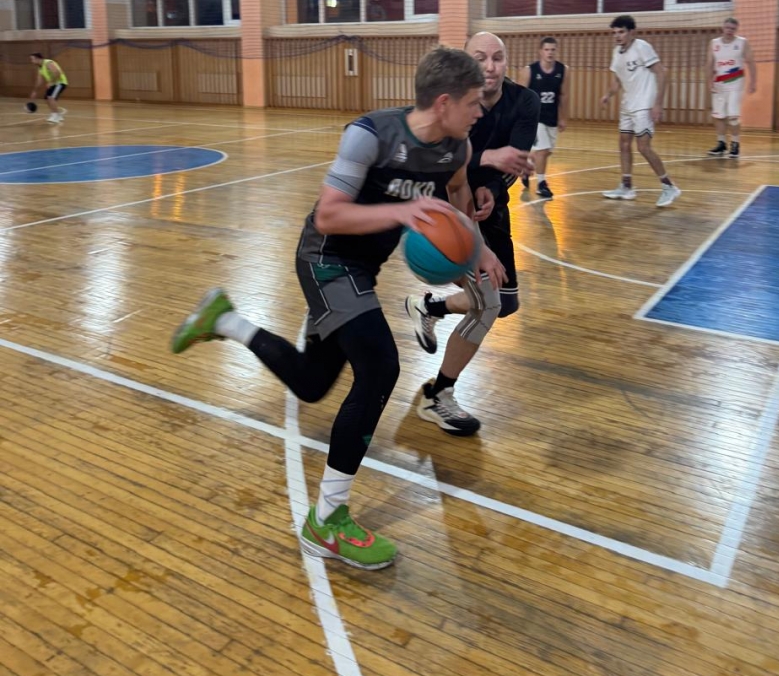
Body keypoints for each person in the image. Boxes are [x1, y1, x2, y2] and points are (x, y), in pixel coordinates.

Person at [170, 46, 505, 570]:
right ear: (443, 102)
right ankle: (326, 521)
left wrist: (477, 248)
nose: (480, 112)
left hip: (363, 270)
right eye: (472, 102)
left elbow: (459, 193)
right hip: (325, 260)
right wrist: (404, 211)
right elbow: (328, 216)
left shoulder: (455, 147)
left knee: (311, 383)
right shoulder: (370, 135)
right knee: (381, 367)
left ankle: (223, 319)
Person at [404, 32, 540, 436]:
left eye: (498, 58)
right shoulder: (451, 102)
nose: (490, 67)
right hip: (445, 208)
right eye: (480, 58)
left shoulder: (524, 102)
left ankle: (431, 308)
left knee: (506, 303)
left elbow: (514, 163)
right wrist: (488, 159)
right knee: (488, 304)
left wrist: (492, 189)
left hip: (488, 205)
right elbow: (440, 161)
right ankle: (438, 394)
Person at [600, 15, 680, 207]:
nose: (617, 36)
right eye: (615, 33)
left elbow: (662, 72)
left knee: (643, 147)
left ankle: (669, 186)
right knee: (624, 144)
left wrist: (658, 103)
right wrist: (608, 95)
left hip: (644, 104)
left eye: (621, 32)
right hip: (628, 104)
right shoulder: (616, 52)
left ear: (631, 32)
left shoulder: (642, 47)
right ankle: (626, 186)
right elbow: (617, 81)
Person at [517, 36, 568, 200]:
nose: (550, 53)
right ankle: (541, 184)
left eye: (553, 50)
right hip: (534, 118)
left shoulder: (562, 70)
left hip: (551, 117)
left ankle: (527, 167)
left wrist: (563, 117)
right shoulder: (529, 70)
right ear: (540, 51)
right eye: (546, 49)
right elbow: (519, 96)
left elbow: (564, 95)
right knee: (543, 150)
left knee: (546, 152)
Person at [706, 17, 757, 159]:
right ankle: (721, 144)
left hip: (735, 82)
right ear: (723, 28)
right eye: (727, 28)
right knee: (719, 115)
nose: (729, 31)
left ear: (736, 30)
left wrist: (753, 82)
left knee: (733, 116)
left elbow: (751, 62)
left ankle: (735, 144)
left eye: (733, 29)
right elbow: (709, 63)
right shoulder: (714, 43)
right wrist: (708, 81)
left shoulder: (742, 42)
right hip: (719, 83)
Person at [29, 53, 68, 124]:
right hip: (53, 83)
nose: (31, 61)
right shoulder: (40, 68)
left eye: (32, 59)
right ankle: (56, 114)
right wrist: (35, 91)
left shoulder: (48, 63)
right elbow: (39, 80)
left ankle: (56, 116)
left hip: (60, 82)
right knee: (47, 98)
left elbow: (57, 73)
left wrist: (51, 82)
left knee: (51, 98)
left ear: (38, 58)